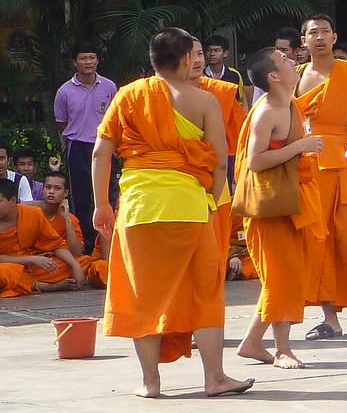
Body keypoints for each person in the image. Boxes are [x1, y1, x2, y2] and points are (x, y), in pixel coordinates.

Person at [92, 27, 252, 397]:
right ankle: (215, 378)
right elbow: (218, 166)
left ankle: (151, 383)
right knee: (205, 291)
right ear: (184, 61)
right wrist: (211, 202)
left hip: (138, 208)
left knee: (143, 294)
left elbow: (101, 153)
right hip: (188, 207)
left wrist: (102, 204)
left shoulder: (128, 95)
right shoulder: (203, 101)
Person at [234, 47, 324, 370]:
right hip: (269, 209)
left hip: (289, 202)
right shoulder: (267, 111)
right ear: (273, 76)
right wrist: (300, 146)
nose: (293, 62)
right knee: (280, 280)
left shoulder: (291, 104)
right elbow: (255, 161)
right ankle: (282, 349)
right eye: (285, 61)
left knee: (285, 277)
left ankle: (251, 342)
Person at [293, 15, 347, 341]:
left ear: (334, 36)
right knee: (317, 240)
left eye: (324, 32)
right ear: (304, 40)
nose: (319, 37)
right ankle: (330, 316)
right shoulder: (295, 76)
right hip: (307, 167)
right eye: (312, 32)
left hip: (343, 164)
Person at [190, 38, 248, 266]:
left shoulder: (221, 91)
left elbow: (239, 137)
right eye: (189, 54)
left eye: (199, 54)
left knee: (216, 247)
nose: (196, 60)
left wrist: (236, 177)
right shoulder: (157, 92)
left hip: (215, 176)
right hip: (178, 178)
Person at [55, 42, 116, 247]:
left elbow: (114, 117)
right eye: (83, 58)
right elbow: (62, 123)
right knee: (81, 197)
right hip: (78, 147)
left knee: (109, 194)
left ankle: (110, 242)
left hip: (105, 145)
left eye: (92, 57)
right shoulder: (64, 91)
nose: (88, 62)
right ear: (74, 62)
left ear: (98, 60)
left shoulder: (109, 86)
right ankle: (87, 244)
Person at [0, 177, 86, 295]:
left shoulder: (33, 214)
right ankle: (44, 286)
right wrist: (32, 259)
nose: (51, 191)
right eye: (48, 187)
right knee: (5, 271)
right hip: (8, 266)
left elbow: (55, 244)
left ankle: (26, 282)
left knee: (68, 264)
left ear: (13, 201)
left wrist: (75, 265)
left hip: (32, 268)